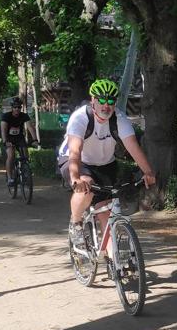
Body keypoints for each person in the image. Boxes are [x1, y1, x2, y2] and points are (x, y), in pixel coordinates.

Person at [59, 79, 156, 249]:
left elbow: (133, 147)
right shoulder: (80, 118)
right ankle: (76, 224)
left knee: (106, 213)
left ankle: (116, 263)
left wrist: (148, 172)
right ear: (93, 100)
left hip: (105, 164)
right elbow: (75, 151)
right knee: (87, 187)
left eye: (110, 101)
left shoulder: (119, 119)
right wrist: (75, 178)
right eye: (101, 100)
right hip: (78, 161)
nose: (106, 105)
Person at [0, 97, 38, 187]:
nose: (17, 109)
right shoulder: (6, 116)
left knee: (25, 155)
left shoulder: (24, 115)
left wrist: (35, 140)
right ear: (12, 108)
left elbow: (30, 127)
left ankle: (25, 173)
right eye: (15, 107)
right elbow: (3, 129)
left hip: (19, 138)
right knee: (11, 155)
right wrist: (5, 141)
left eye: (19, 107)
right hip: (9, 138)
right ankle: (10, 178)